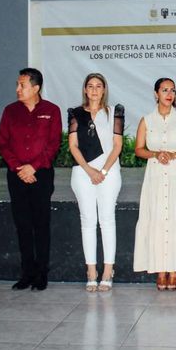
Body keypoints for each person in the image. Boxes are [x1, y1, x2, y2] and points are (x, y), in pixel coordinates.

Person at [0, 68, 61, 292]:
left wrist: (33, 167)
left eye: (22, 85)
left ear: (36, 88)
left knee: (41, 224)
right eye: (17, 84)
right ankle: (27, 273)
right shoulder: (10, 111)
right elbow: (3, 144)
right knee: (22, 225)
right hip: (16, 175)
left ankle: (42, 273)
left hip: (41, 174)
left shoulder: (52, 111)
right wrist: (18, 168)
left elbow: (53, 145)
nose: (17, 89)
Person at [133, 78, 176, 290]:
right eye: (164, 90)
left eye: (172, 90)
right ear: (156, 94)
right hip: (154, 176)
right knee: (157, 220)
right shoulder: (146, 120)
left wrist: (174, 154)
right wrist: (155, 153)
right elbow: (138, 149)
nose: (169, 94)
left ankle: (174, 270)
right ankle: (160, 271)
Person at [68, 73, 124, 292]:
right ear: (84, 89)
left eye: (98, 86)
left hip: (109, 172)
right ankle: (91, 270)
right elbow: (73, 145)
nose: (94, 90)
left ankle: (108, 270)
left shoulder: (114, 113)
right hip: (83, 172)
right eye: (90, 86)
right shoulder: (75, 114)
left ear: (104, 90)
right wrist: (90, 170)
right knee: (88, 221)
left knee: (107, 220)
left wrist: (102, 170)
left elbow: (117, 145)